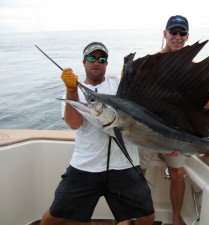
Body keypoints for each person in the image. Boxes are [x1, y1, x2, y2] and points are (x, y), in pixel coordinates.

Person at [40, 42, 155, 225]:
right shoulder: (74, 91)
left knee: (147, 215)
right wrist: (71, 91)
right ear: (84, 62)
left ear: (106, 64)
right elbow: (74, 124)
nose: (96, 62)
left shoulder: (119, 86)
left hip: (124, 165)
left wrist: (131, 77)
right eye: (91, 58)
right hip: (86, 165)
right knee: (55, 213)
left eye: (102, 59)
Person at [139, 15, 209, 225]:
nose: (177, 37)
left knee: (177, 174)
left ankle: (176, 219)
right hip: (147, 131)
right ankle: (134, 216)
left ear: (187, 37)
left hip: (177, 133)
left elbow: (205, 100)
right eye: (173, 32)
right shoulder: (150, 63)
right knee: (136, 173)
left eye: (182, 33)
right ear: (165, 34)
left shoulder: (191, 68)